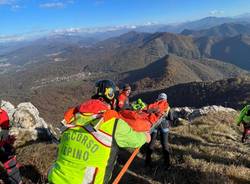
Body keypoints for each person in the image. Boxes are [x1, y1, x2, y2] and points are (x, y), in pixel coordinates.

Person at [48, 80, 151, 184]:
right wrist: (145, 137)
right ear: (113, 101)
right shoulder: (114, 124)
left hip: (55, 179)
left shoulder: (72, 118)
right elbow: (135, 140)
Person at [145, 93, 173, 169]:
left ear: (158, 98)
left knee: (151, 143)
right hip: (164, 127)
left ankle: (147, 162)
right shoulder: (167, 107)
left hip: (155, 126)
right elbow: (171, 118)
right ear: (165, 99)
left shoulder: (155, 105)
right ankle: (167, 164)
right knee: (164, 144)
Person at [0, 108, 22, 184]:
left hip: (2, 145)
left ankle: (17, 180)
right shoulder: (3, 114)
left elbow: (5, 132)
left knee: (9, 159)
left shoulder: (3, 115)